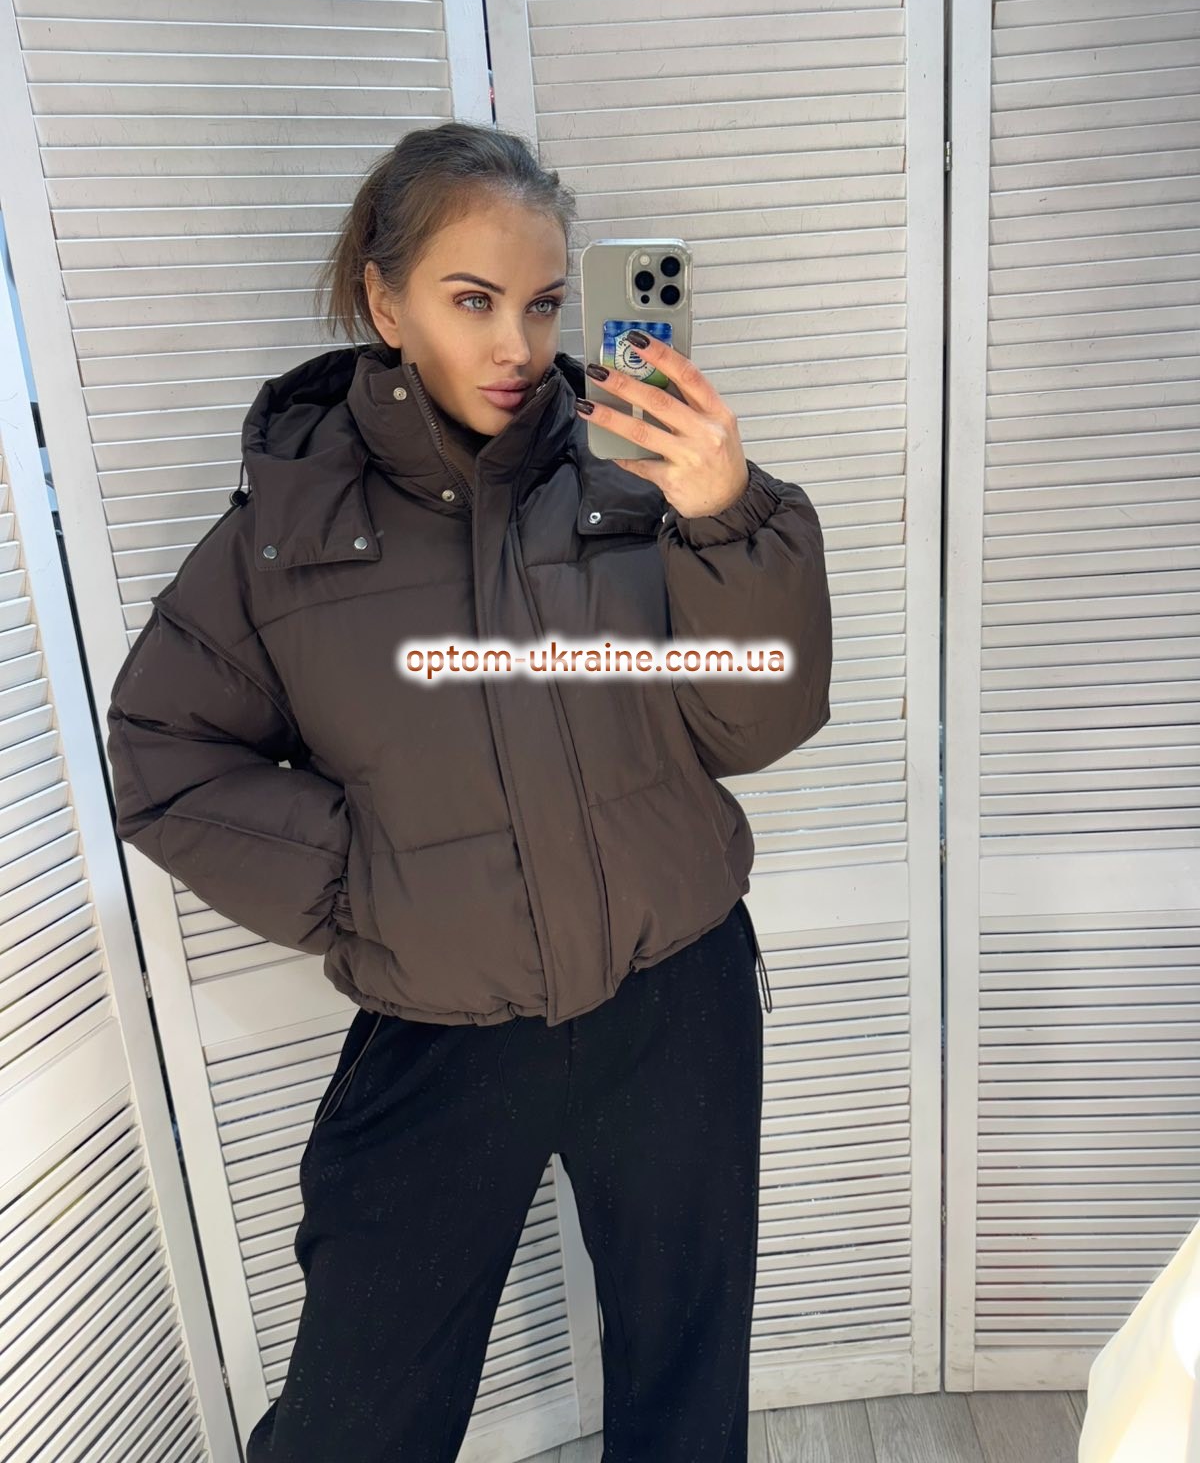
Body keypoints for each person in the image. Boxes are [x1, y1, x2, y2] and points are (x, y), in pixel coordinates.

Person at [105, 120, 833, 1462]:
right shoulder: (288, 532)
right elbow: (162, 753)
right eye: (473, 300)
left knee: (685, 1378)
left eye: (545, 304)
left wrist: (730, 517)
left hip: (677, 994)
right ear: (385, 303)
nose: (518, 346)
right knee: (359, 1419)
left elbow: (759, 719)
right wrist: (369, 882)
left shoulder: (643, 477)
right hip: (444, 1025)